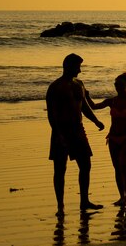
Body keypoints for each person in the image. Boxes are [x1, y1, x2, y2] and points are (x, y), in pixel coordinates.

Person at [47, 53, 105, 215]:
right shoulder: (55, 87)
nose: (79, 70)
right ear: (68, 66)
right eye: (77, 67)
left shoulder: (79, 84)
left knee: (86, 165)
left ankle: (84, 201)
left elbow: (85, 107)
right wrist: (58, 134)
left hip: (78, 129)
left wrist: (96, 121)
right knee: (60, 169)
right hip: (61, 130)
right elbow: (52, 114)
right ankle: (60, 206)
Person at [94, 72, 126, 206]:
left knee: (125, 168)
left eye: (120, 85)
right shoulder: (111, 101)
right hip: (113, 138)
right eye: (116, 85)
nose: (117, 87)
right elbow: (94, 106)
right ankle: (121, 196)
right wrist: (85, 95)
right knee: (117, 168)